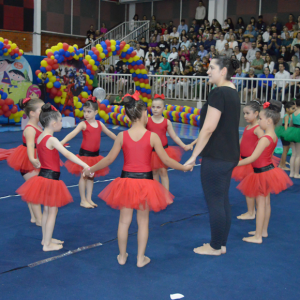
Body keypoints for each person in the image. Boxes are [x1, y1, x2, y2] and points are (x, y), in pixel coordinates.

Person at [82, 92, 192, 267]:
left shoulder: (122, 136)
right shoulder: (152, 136)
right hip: (145, 183)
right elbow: (166, 161)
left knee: (124, 221)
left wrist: (90, 169)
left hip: (126, 182)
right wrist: (184, 167)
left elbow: (108, 159)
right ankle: (140, 259)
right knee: (143, 222)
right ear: (143, 114)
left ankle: (122, 256)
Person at [185, 57, 240, 255]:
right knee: (222, 199)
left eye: (211, 68)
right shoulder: (233, 92)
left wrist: (193, 156)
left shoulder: (218, 92)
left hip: (217, 156)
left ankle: (215, 246)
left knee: (216, 201)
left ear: (223, 71)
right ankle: (221, 243)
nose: (208, 71)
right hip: (229, 154)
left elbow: (209, 128)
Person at [17, 104, 90, 251]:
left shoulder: (41, 137)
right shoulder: (52, 139)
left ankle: (46, 239)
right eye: (61, 121)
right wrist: (84, 165)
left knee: (47, 211)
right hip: (50, 179)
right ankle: (47, 244)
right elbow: (67, 154)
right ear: (54, 123)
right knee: (52, 211)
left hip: (43, 177)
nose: (62, 124)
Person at [237, 100, 293, 244]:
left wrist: (233, 164)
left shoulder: (264, 139)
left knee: (260, 204)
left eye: (260, 119)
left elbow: (253, 158)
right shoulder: (272, 136)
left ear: (268, 121)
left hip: (261, 173)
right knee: (266, 203)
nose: (259, 121)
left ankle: (257, 236)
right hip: (268, 171)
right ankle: (263, 231)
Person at [62, 96, 117, 209]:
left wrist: (120, 141)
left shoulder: (99, 124)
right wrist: (61, 142)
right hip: (85, 156)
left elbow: (110, 134)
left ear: (96, 112)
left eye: (89, 111)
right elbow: (72, 134)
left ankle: (89, 198)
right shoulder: (83, 124)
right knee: (84, 177)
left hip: (95, 156)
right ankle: (82, 200)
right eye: (84, 111)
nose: (86, 114)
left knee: (91, 177)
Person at [7, 98, 44, 226]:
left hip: (34, 159)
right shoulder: (30, 129)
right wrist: (33, 160)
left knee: (32, 188)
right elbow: (29, 147)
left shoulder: (37, 125)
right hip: (28, 160)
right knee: (35, 190)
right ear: (32, 113)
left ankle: (34, 217)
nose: (44, 112)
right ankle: (39, 219)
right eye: (41, 109)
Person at [146, 94, 192, 190]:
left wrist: (184, 146)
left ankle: (165, 195)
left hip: (164, 151)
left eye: (158, 107)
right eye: (153, 107)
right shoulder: (147, 121)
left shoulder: (166, 122)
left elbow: (174, 136)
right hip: (151, 151)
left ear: (163, 108)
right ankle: (156, 193)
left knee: (163, 172)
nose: (155, 109)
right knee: (154, 172)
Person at [232, 100, 264, 220]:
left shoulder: (257, 128)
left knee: (250, 188)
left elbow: (264, 142)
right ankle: (251, 211)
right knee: (247, 187)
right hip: (244, 160)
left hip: (252, 162)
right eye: (244, 113)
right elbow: (242, 142)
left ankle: (251, 212)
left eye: (247, 113)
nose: (245, 116)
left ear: (256, 113)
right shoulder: (247, 127)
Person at [282, 97, 300, 178]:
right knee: (299, 155)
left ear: (296, 105)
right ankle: (296, 173)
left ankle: (292, 173)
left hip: (293, 132)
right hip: (298, 132)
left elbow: (290, 125)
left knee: (293, 154)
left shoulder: (293, 114)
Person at [275, 101, 296, 170]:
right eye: (293, 108)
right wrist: (288, 134)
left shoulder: (288, 115)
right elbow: (286, 126)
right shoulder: (286, 116)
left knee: (286, 150)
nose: (294, 110)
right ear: (287, 109)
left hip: (285, 133)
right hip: (285, 133)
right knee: (285, 150)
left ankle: (282, 162)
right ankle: (282, 165)